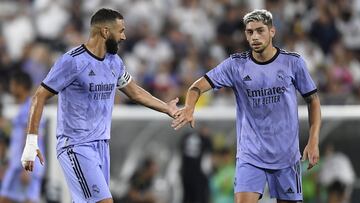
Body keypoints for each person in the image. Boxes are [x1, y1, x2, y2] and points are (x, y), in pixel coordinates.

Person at [20, 8, 179, 203]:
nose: (124, 36)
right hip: (76, 145)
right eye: (120, 31)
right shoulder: (73, 61)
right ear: (105, 31)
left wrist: (167, 108)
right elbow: (39, 96)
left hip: (101, 146)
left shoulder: (114, 62)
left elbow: (135, 93)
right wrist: (31, 142)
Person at [172, 9, 321, 203]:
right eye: (250, 32)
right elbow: (196, 87)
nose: (255, 36)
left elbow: (313, 100)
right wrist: (190, 108)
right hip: (251, 155)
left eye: (260, 31)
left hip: (286, 156)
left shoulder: (292, 62)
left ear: (272, 32)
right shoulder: (235, 65)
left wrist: (313, 140)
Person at [0, 72, 46, 203]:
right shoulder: (24, 108)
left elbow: (31, 138)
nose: (10, 87)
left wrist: (27, 169)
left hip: (26, 166)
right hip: (17, 165)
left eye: (13, 84)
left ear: (21, 86)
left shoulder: (31, 108)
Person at [180, 127, 212, 203]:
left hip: (188, 173)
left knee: (188, 196)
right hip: (197, 175)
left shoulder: (185, 138)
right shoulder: (205, 140)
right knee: (198, 196)